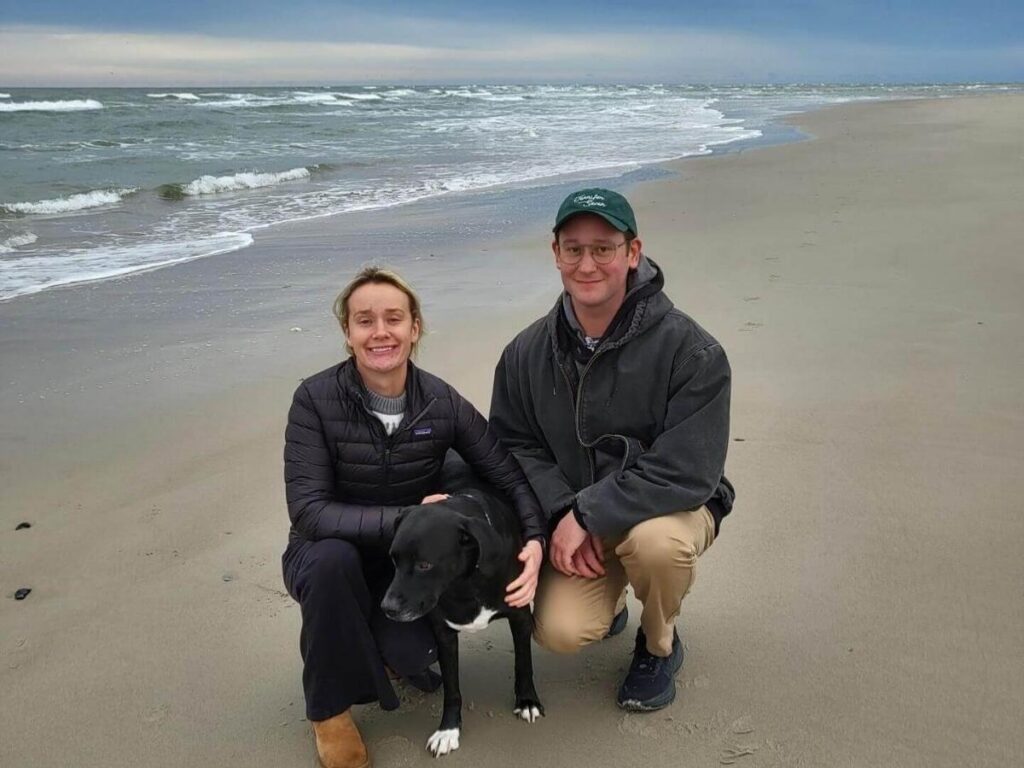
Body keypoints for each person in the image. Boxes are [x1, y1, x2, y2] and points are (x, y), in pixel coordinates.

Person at [283, 267, 545, 768]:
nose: (380, 332)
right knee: (332, 565)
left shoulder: (441, 403)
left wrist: (532, 541)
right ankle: (328, 710)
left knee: (418, 654)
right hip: (326, 551)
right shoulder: (314, 400)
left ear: (415, 328)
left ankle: (380, 651)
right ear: (348, 333)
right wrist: (407, 517)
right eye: (364, 321)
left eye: (393, 319)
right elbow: (309, 511)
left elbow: (509, 477)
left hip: (410, 560)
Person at [489, 188, 735, 712]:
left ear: (633, 252)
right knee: (558, 631)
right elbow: (512, 443)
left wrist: (587, 510)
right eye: (573, 248)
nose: (587, 263)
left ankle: (658, 641)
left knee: (656, 547)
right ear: (555, 253)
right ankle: (610, 600)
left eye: (604, 248)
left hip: (671, 510)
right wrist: (562, 510)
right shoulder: (524, 352)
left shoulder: (692, 350)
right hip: (576, 519)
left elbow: (688, 470)